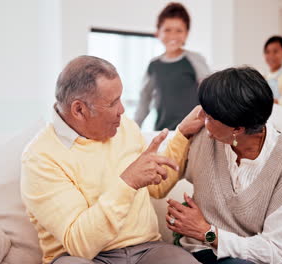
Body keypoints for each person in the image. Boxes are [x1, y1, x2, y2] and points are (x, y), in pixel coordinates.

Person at [20, 55, 205, 264]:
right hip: (82, 258)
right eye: (112, 103)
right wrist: (128, 182)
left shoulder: (123, 126)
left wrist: (182, 134)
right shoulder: (40, 158)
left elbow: (157, 187)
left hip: (147, 250)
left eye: (121, 98)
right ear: (79, 110)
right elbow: (81, 244)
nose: (122, 110)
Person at [163, 67, 282, 264]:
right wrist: (181, 132)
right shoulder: (202, 136)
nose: (200, 116)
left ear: (237, 129)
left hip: (264, 253)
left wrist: (208, 232)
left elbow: (281, 250)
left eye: (210, 117)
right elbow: (158, 183)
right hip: (209, 253)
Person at [134, 2, 210, 130]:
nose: (173, 36)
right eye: (167, 30)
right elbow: (144, 99)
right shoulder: (154, 65)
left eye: (179, 30)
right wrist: (134, 128)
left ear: (186, 34)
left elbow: (210, 94)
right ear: (158, 32)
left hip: (194, 131)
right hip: (164, 131)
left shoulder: (195, 59)